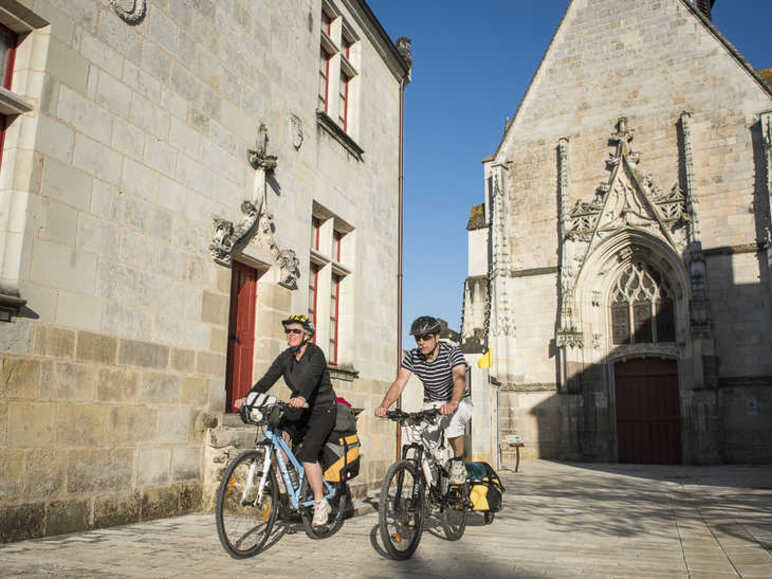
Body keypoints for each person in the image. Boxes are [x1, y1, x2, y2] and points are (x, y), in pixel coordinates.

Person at [234, 313, 337, 527]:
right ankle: (286, 478)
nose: (291, 334)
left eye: (296, 331)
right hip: (297, 407)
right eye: (288, 331)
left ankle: (320, 503)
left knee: (309, 454)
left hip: (321, 409)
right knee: (280, 435)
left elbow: (311, 379)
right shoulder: (285, 357)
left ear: (306, 335)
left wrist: (302, 397)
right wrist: (248, 397)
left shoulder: (315, 354)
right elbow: (267, 379)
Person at [375, 315, 471, 484]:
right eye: (418, 338)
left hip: (458, 400)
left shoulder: (452, 352)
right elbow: (399, 383)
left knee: (453, 422)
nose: (421, 342)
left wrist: (453, 403)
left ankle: (457, 462)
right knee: (423, 439)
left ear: (437, 337)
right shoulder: (413, 357)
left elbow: (459, 378)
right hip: (432, 402)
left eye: (426, 337)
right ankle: (433, 485)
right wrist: (384, 405)